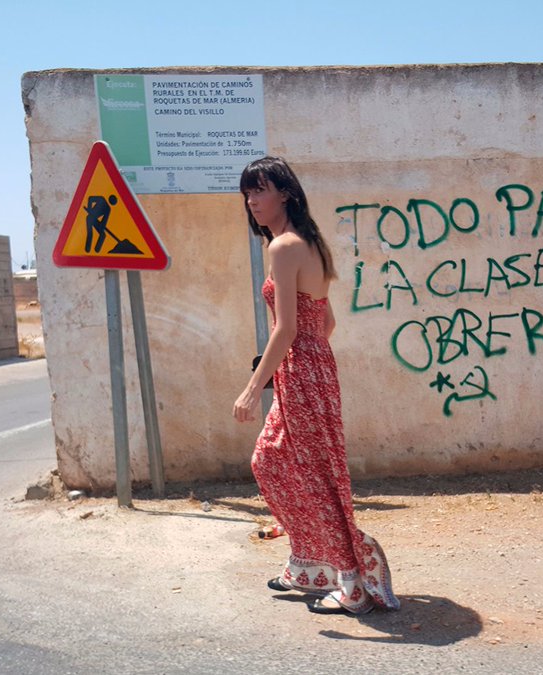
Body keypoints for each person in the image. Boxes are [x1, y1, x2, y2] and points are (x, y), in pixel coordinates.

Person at [232, 157, 399, 616]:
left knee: (303, 473)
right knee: (276, 463)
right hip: (311, 368)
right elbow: (326, 321)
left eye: (260, 190)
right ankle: (309, 564)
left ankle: (351, 582)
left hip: (301, 369)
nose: (252, 201)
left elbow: (286, 329)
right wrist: (307, 361)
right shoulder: (312, 243)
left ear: (284, 192)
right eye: (247, 193)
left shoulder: (284, 247)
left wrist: (253, 388)